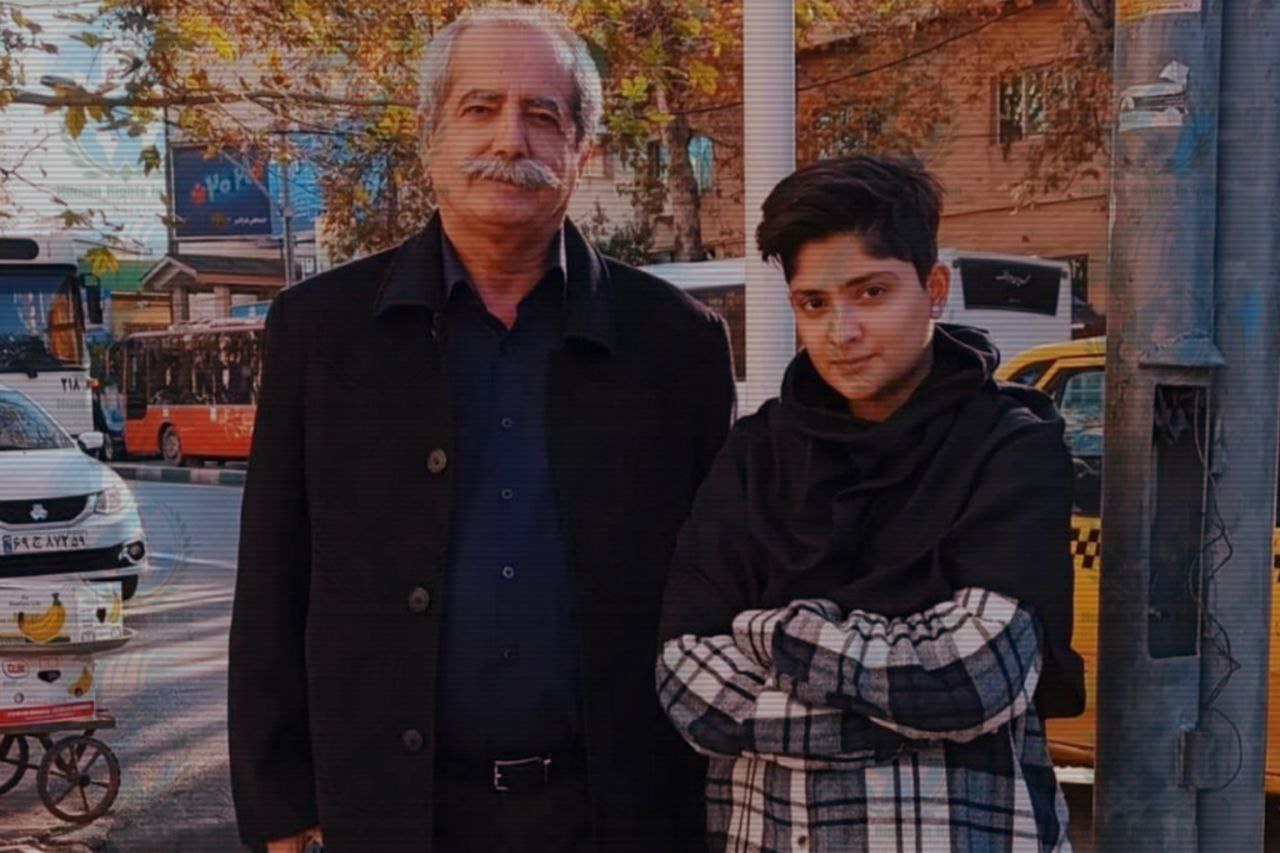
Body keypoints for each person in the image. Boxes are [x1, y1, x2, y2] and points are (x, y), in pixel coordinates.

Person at [228, 7, 735, 852]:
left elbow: (718, 583)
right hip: (391, 814)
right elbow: (274, 575)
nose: (511, 138)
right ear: (429, 137)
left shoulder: (675, 342)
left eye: (544, 115)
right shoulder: (321, 332)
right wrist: (279, 801)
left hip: (621, 811)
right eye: (480, 108)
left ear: (582, 151)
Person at [656, 155, 1085, 852]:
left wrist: (775, 634)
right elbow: (687, 683)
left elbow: (976, 676)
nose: (842, 331)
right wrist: (907, 715)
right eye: (814, 303)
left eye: (872, 293)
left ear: (934, 289)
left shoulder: (1008, 443)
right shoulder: (758, 454)